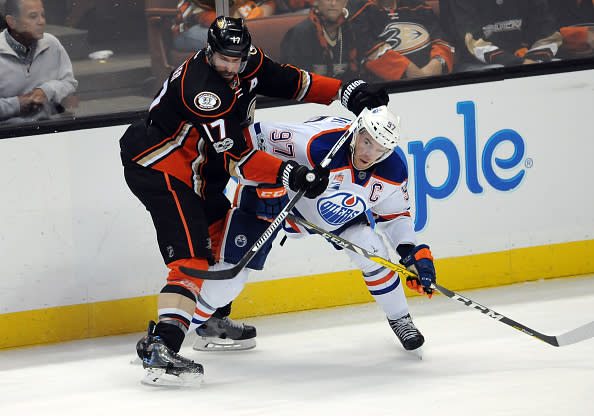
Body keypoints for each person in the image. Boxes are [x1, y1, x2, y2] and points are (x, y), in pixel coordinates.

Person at [121, 15, 388, 386]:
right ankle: (160, 347)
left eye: (238, 58)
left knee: (220, 240)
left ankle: (210, 320)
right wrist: (290, 173)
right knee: (192, 260)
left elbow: (289, 80)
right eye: (223, 59)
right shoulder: (202, 90)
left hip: (199, 169)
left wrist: (347, 92)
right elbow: (239, 157)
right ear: (208, 51)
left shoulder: (247, 60)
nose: (231, 66)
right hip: (160, 166)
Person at [240, 106, 436, 353]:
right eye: (366, 141)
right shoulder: (316, 142)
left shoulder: (393, 169)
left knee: (371, 247)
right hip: (289, 198)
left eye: (379, 149)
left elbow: (395, 216)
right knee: (235, 265)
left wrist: (409, 253)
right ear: (357, 131)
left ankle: (400, 318)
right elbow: (252, 135)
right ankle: (211, 319)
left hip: (341, 211)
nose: (369, 153)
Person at [0, 0, 78, 124]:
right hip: (8, 135)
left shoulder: (52, 44)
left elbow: (70, 84)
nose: (41, 21)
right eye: (33, 16)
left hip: (50, 129)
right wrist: (18, 104)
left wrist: (46, 91)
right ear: (12, 22)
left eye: (43, 15)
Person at [440, 0, 562, 71]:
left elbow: (548, 33)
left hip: (529, 58)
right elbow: (471, 41)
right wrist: (518, 62)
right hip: (480, 64)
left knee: (557, 66)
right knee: (497, 71)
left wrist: (536, 60)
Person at [348, 0, 454, 79]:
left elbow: (441, 39)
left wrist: (438, 62)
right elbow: (367, 48)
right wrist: (408, 69)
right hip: (387, 89)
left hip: (433, 80)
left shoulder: (418, 6)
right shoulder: (361, 8)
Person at [280, 0, 360, 80]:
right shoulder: (299, 34)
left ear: (345, 2)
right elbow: (294, 80)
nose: (333, 3)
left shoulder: (351, 31)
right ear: (316, 2)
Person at [172, 0, 276, 51]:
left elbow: (268, 4)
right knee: (230, 41)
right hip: (189, 30)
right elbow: (207, 18)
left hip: (229, 26)